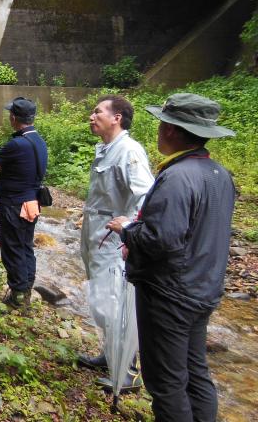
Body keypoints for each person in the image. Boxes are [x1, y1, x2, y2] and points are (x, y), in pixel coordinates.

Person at [106, 93, 235, 422]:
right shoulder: (218, 174)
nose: (159, 131)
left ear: (174, 131)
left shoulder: (178, 177)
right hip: (202, 289)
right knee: (195, 373)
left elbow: (160, 239)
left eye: (163, 125)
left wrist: (127, 230)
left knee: (166, 382)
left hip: (169, 294)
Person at [77, 95, 154, 391]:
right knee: (101, 297)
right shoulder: (106, 149)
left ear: (117, 117)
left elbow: (145, 196)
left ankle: (129, 369)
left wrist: (131, 232)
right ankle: (111, 354)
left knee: (111, 300)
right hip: (95, 231)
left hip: (112, 237)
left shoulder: (129, 151)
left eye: (97, 112)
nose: (92, 116)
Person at [0, 97, 47, 308]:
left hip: (13, 204)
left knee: (12, 248)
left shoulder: (17, 144)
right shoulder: (38, 140)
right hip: (31, 203)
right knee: (25, 246)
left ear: (13, 118)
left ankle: (18, 296)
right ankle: (27, 288)